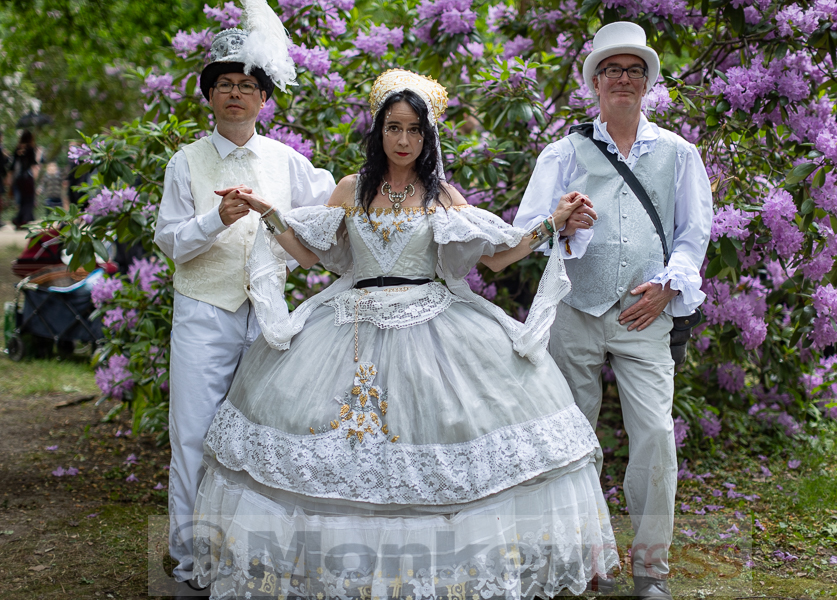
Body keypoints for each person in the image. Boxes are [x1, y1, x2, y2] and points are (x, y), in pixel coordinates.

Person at [188, 68, 619, 599]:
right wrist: (271, 215)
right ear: (379, 130)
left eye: (415, 130)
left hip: (433, 320)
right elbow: (313, 256)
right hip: (348, 321)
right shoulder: (350, 188)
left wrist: (553, 224)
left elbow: (499, 257)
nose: (404, 140)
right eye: (394, 127)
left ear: (428, 135)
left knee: (442, 432)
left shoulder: (441, 194)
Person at [515, 21, 713, 600]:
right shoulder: (563, 150)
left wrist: (669, 289)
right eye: (611, 70)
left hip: (645, 311)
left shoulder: (678, 153)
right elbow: (527, 230)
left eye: (633, 70)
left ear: (647, 83)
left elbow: (692, 234)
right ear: (595, 83)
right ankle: (588, 563)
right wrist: (561, 225)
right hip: (574, 310)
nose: (623, 79)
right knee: (574, 440)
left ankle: (651, 569)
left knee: (654, 435)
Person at [152, 1, 336, 592]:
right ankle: (189, 559)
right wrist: (215, 219)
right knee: (193, 434)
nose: (236, 94)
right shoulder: (186, 161)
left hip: (269, 314)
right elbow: (170, 242)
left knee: (265, 434)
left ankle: (256, 557)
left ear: (263, 99)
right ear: (209, 96)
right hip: (204, 312)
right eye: (225, 85)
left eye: (247, 85)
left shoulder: (286, 161)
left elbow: (330, 209)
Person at [9, 130, 40, 229]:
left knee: (22, 200)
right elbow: (34, 163)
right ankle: (23, 220)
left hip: (19, 179)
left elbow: (13, 166)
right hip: (28, 178)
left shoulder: (17, 149)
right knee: (29, 200)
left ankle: (19, 220)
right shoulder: (31, 148)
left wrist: (10, 178)